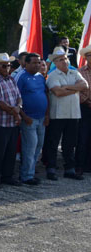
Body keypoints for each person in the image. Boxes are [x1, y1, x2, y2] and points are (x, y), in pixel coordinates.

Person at [43, 47, 88, 180]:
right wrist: (75, 89)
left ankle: (69, 168)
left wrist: (67, 87)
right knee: (53, 142)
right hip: (57, 114)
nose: (65, 61)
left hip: (73, 113)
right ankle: (51, 168)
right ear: (55, 62)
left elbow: (85, 86)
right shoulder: (52, 76)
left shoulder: (74, 73)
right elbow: (57, 92)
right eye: (61, 59)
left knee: (70, 143)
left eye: (66, 59)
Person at [0, 53, 23, 188]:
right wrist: (15, 113)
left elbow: (19, 97)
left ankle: (7, 176)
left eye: (9, 65)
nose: (7, 68)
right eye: (4, 65)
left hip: (13, 121)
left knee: (11, 151)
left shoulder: (11, 79)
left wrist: (18, 109)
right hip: (1, 122)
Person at [16, 54, 48, 185]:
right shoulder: (21, 77)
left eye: (38, 63)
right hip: (29, 118)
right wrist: (24, 116)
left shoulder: (40, 77)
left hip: (41, 118)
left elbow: (45, 95)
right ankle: (26, 176)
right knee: (30, 147)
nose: (37, 65)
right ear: (26, 64)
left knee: (38, 146)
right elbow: (16, 99)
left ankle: (31, 172)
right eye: (34, 63)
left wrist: (47, 115)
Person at [77, 45, 91, 175]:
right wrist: (86, 101)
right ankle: (79, 165)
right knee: (83, 136)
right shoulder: (80, 72)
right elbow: (77, 91)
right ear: (85, 57)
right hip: (84, 107)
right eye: (89, 55)